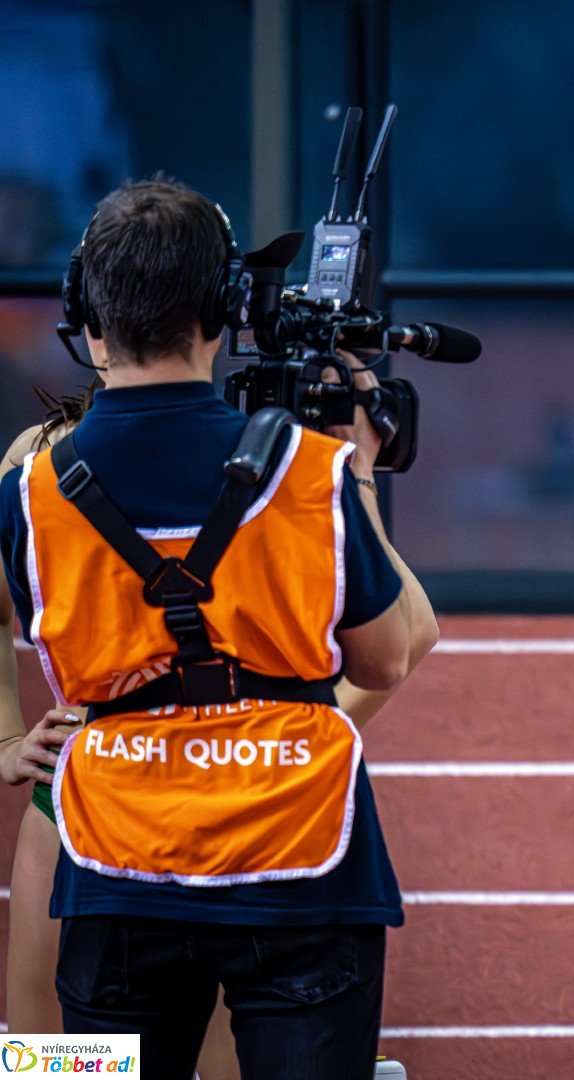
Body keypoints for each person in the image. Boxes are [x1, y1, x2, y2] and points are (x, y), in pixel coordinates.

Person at [0, 177, 438, 1079]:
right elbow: (398, 645)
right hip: (280, 839)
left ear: (86, 315)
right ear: (231, 308)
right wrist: (353, 471)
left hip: (108, 831)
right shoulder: (301, 470)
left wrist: (7, 741)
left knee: (63, 1059)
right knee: (68, 1053)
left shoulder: (32, 481)